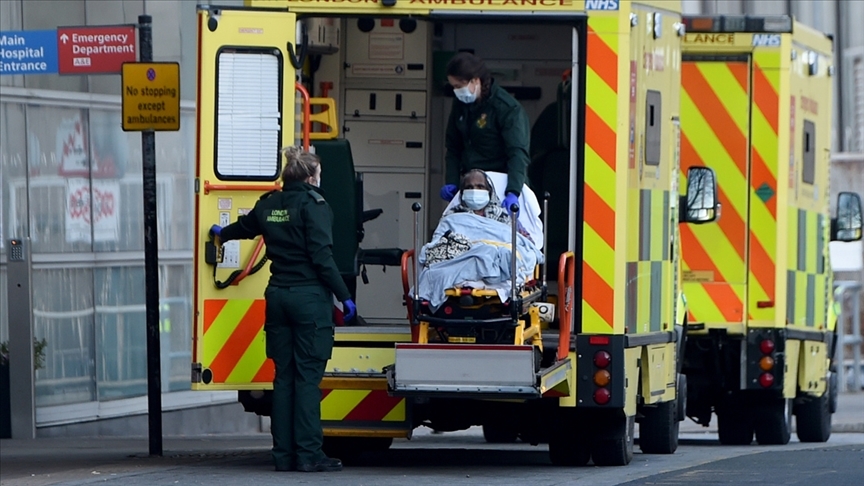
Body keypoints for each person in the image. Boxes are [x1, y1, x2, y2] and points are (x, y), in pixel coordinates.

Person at [209, 146, 354, 473]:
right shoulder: (314, 206)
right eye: (318, 174)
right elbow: (322, 257)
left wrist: (221, 234)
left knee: (284, 378)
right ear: (310, 177)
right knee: (307, 380)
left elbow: (243, 228)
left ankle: (284, 455)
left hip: (277, 298)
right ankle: (309, 455)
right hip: (308, 300)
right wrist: (344, 296)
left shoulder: (269, 204)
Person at [441, 52, 531, 212]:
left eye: (459, 86)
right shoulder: (461, 105)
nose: (456, 91)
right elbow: (453, 147)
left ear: (475, 80)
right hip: (471, 185)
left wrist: (513, 191)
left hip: (501, 183)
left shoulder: (506, 108)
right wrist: (452, 181)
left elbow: (517, 153)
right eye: (453, 87)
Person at [444, 169, 533, 243]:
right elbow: (439, 243)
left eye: (480, 187)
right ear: (462, 193)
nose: (475, 191)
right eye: (469, 187)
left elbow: (525, 245)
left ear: (489, 192)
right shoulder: (452, 216)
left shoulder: (503, 216)